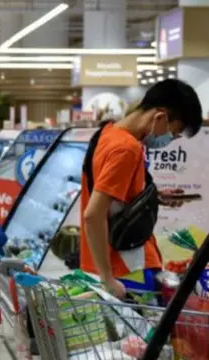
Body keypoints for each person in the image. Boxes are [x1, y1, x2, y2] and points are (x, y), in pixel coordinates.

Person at [81, 79, 203, 299]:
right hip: (128, 270)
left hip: (110, 265)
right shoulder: (127, 149)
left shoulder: (106, 134)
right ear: (161, 117)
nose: (172, 140)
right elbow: (93, 215)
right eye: (175, 133)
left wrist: (155, 197)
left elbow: (113, 200)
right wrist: (108, 279)